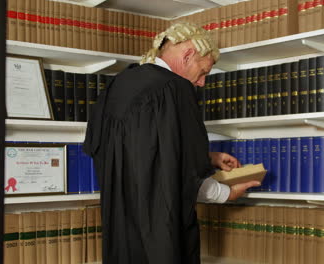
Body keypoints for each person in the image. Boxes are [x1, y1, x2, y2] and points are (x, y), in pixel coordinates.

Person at [83, 22, 260, 264]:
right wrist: (225, 194)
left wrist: (209, 157)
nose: (202, 83)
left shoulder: (119, 84)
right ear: (188, 55)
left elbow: (139, 152)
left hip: (121, 228)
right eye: (204, 71)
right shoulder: (175, 90)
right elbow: (184, 175)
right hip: (160, 235)